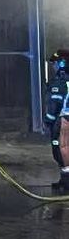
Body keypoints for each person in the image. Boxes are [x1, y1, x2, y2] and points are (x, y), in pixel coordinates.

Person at [44, 50, 69, 188]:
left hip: (63, 120)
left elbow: (54, 106)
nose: (53, 67)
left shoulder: (59, 83)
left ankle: (66, 182)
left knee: (60, 149)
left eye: (54, 64)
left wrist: (48, 121)